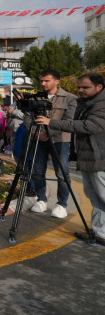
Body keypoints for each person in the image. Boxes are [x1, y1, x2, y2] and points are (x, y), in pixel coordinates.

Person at [35, 73, 105, 244]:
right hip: (88, 156)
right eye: (79, 87)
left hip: (99, 157)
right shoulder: (86, 102)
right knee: (94, 196)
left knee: (102, 195)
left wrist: (51, 123)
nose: (80, 90)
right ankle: (100, 232)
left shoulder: (101, 104)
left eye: (85, 87)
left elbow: (91, 126)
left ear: (99, 87)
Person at [23, 69, 77, 218]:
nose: (43, 83)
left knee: (62, 172)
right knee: (37, 170)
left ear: (57, 81)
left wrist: (48, 133)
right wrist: (36, 133)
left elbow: (68, 121)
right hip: (38, 139)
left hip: (60, 140)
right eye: (41, 80)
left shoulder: (70, 98)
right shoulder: (35, 98)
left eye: (46, 80)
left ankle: (61, 205)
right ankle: (41, 200)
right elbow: (27, 117)